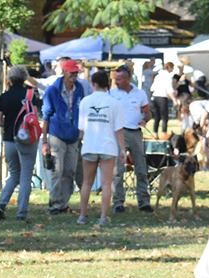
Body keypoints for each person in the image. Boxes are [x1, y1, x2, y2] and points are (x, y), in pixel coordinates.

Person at [0, 65, 41, 221]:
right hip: (27, 140)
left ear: (10, 79)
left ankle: (1, 203)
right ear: (25, 78)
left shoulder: (4, 97)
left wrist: (7, 123)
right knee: (26, 177)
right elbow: (36, 116)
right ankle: (21, 212)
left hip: (9, 140)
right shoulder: (31, 95)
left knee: (13, 174)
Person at [77, 70, 125, 227]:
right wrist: (123, 149)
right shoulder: (115, 103)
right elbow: (118, 129)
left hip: (89, 145)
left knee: (86, 183)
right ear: (108, 84)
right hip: (108, 146)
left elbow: (81, 128)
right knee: (106, 183)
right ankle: (103, 216)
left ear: (94, 84)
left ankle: (83, 215)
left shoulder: (85, 101)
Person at [41, 59, 84, 215]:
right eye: (71, 72)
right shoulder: (52, 91)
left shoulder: (79, 89)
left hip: (73, 135)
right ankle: (54, 203)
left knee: (70, 171)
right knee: (56, 171)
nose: (74, 75)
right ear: (64, 72)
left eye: (76, 73)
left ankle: (63, 203)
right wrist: (44, 140)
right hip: (56, 134)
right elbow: (46, 115)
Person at [110, 64, 153, 214]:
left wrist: (145, 120)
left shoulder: (140, 93)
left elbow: (147, 112)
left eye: (120, 79)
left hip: (135, 132)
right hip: (118, 132)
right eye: (116, 78)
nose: (117, 81)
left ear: (128, 78)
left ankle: (144, 201)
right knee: (118, 169)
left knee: (141, 167)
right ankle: (118, 202)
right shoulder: (112, 94)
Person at [149, 61, 176, 137]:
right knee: (164, 117)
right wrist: (174, 99)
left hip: (155, 97)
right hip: (162, 97)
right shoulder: (167, 77)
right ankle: (164, 133)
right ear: (169, 68)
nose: (173, 70)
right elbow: (169, 89)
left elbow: (152, 88)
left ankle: (155, 133)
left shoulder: (158, 76)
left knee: (157, 117)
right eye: (172, 68)